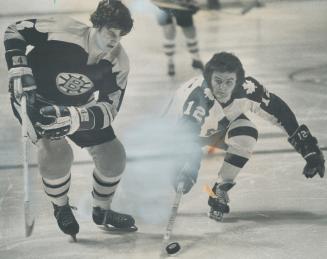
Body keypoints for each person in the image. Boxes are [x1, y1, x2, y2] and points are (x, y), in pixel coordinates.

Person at [3, 0, 136, 240]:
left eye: (120, 34)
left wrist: (75, 118)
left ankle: (102, 212)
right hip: (35, 99)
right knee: (57, 152)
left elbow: (109, 108)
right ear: (97, 24)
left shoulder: (118, 62)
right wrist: (18, 65)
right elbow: (16, 30)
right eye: (110, 31)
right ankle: (61, 206)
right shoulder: (63, 29)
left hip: (76, 106)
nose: (115, 39)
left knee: (114, 157)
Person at [166, 52, 325, 221]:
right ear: (208, 78)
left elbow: (280, 112)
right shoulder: (199, 97)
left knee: (246, 133)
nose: (222, 88)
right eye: (218, 81)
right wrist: (187, 165)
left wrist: (308, 148)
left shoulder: (249, 89)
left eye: (229, 82)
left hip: (216, 128)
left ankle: (219, 189)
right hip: (173, 132)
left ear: (238, 82)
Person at [154, 0, 204, 76]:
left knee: (186, 29)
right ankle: (171, 61)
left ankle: (194, 59)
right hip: (168, 3)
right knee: (171, 29)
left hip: (175, 3)